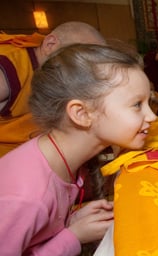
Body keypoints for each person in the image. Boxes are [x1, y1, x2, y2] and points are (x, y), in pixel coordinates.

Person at [0, 43, 157, 256]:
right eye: (137, 105)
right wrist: (72, 237)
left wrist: (71, 220)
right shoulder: (26, 197)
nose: (152, 117)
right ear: (81, 114)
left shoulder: (60, 158)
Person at [0, 21, 106, 157]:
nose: (83, 68)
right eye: (77, 56)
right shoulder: (10, 69)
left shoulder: (57, 75)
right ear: (50, 44)